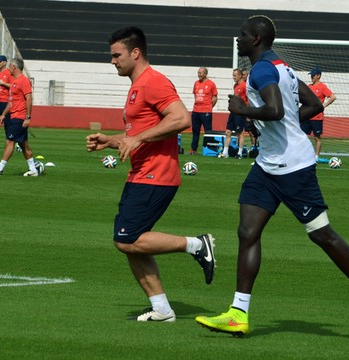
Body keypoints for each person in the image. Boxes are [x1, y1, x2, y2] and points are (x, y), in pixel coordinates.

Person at [195, 16, 349, 341]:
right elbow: (311, 104)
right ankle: (238, 314)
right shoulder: (281, 66)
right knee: (247, 230)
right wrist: (285, 129)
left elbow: (275, 110)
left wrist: (244, 111)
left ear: (256, 39)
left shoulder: (262, 70)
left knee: (320, 234)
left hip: (293, 166)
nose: (238, 40)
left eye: (242, 35)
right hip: (268, 164)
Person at [86, 26, 216, 322]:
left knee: (126, 239)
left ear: (135, 53)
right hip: (141, 173)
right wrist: (112, 141)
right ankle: (162, 309)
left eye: (116, 55)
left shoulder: (152, 82)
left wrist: (137, 140)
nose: (112, 61)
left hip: (156, 175)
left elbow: (182, 118)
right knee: (130, 242)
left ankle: (196, 244)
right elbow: (139, 133)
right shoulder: (137, 86)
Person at [0, 57, 39, 176]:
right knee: (23, 144)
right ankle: (33, 169)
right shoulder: (14, 82)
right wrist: (4, 114)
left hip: (19, 117)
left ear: (14, 67)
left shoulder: (24, 81)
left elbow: (29, 100)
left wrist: (27, 117)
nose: (8, 68)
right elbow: (11, 102)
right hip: (14, 116)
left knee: (10, 141)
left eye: (10, 66)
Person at [302, 67, 336, 162]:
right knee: (302, 136)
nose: (312, 77)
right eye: (311, 75)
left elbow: (333, 97)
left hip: (317, 117)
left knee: (317, 138)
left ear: (318, 76)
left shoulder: (322, 87)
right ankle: (304, 154)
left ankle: (316, 157)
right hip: (307, 116)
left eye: (313, 75)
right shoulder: (309, 87)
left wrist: (324, 105)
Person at [189, 67, 218, 155]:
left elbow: (215, 98)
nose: (199, 74)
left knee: (208, 131)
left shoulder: (211, 84)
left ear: (205, 74)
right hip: (196, 111)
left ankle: (210, 149)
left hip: (206, 111)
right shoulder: (196, 83)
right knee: (195, 131)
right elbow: (195, 95)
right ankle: (193, 149)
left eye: (201, 73)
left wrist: (208, 107)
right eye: (198, 73)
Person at [222, 68, 247, 158]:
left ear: (240, 76)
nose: (233, 77)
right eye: (233, 75)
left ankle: (240, 153)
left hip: (240, 112)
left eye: (235, 75)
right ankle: (225, 152)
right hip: (233, 112)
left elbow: (248, 99)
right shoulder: (235, 86)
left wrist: (247, 112)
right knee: (228, 131)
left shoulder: (245, 86)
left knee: (240, 132)